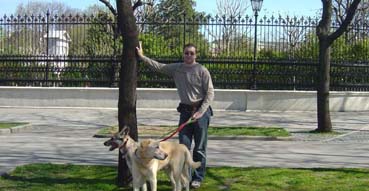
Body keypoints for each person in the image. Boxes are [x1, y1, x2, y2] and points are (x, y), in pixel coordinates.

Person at [136, 43, 214, 189]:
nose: (189, 55)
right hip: (185, 112)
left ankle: (197, 178)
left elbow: (210, 93)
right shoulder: (177, 68)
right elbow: (158, 66)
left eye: (191, 53)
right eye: (186, 53)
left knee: (199, 148)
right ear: (183, 54)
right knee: (183, 147)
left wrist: (200, 111)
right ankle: (186, 178)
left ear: (195, 55)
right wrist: (141, 57)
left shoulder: (202, 70)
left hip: (201, 112)